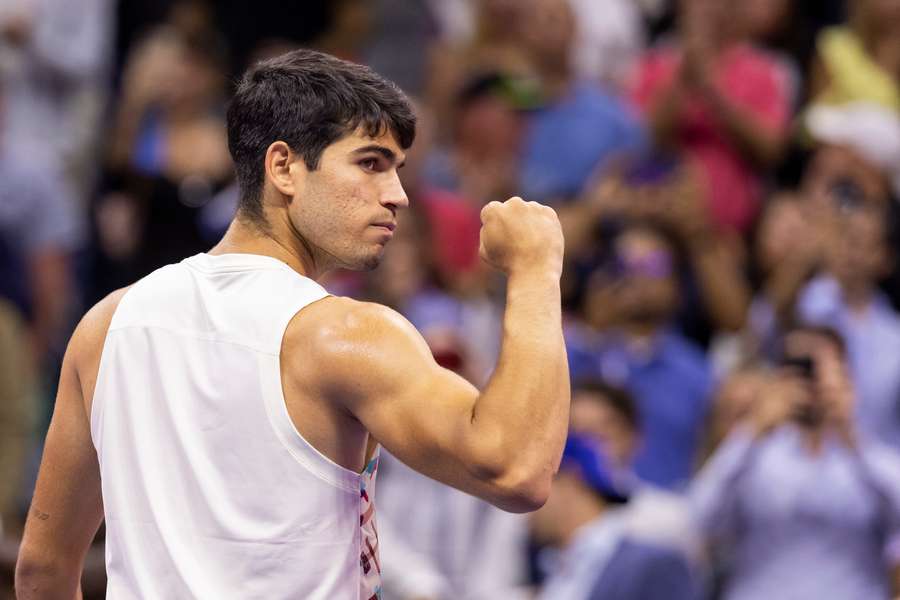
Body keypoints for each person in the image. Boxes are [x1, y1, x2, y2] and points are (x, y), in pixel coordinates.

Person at [15, 49, 570, 598]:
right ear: (283, 167)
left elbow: (42, 571)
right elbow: (517, 469)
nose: (398, 195)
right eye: (371, 163)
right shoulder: (344, 336)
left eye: (398, 169)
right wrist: (536, 270)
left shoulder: (107, 324)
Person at [692, 325, 900, 600]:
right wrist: (754, 429)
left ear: (846, 375)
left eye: (818, 368)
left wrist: (851, 436)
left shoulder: (869, 456)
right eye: (800, 367)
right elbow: (699, 518)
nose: (809, 381)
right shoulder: (754, 453)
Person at [530, 433, 697, 600]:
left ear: (568, 479)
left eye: (531, 484)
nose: (525, 513)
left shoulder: (655, 564)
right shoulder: (556, 571)